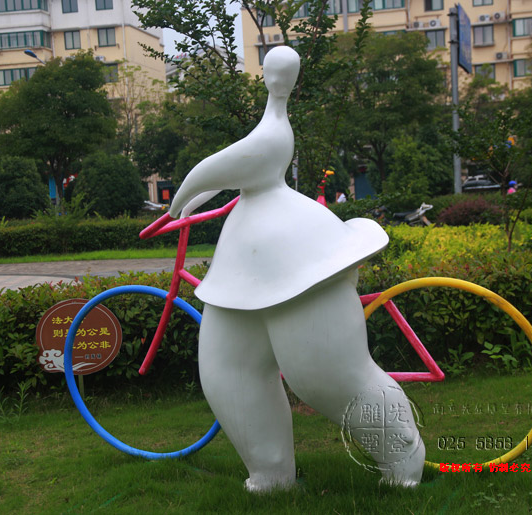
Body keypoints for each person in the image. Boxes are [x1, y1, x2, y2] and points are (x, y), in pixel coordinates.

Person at [168, 46, 424, 492]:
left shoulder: (273, 130)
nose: (277, 78)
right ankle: (270, 472)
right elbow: (228, 171)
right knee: (228, 372)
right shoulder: (268, 130)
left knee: (324, 377)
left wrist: (181, 200)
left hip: (299, 254)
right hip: (244, 260)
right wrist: (191, 198)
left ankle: (403, 459)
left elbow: (224, 166)